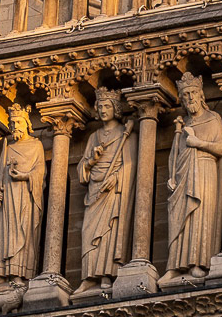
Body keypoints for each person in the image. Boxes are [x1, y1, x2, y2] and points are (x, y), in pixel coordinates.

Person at [165, 72, 222, 282]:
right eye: (185, 95)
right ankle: (175, 265)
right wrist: (172, 177)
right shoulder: (181, 126)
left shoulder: (213, 118)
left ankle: (198, 263)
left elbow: (220, 147)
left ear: (201, 95)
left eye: (192, 93)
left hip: (204, 172)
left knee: (199, 216)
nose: (189, 98)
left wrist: (199, 143)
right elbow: (175, 155)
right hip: (183, 175)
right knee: (179, 218)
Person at [75, 91, 133, 296]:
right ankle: (88, 277)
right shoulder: (93, 137)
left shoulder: (124, 135)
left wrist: (117, 178)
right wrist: (91, 160)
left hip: (112, 191)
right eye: (99, 107)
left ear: (116, 109)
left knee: (109, 231)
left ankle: (107, 274)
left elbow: (131, 165)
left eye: (107, 106)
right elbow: (82, 169)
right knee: (88, 233)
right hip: (94, 189)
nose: (102, 110)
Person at [0, 104, 46, 292]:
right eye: (12, 123)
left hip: (26, 196)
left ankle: (18, 275)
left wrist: (25, 176)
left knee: (23, 232)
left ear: (27, 123)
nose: (15, 126)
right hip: (9, 198)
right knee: (4, 233)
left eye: (18, 122)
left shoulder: (36, 145)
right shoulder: (8, 147)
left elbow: (40, 172)